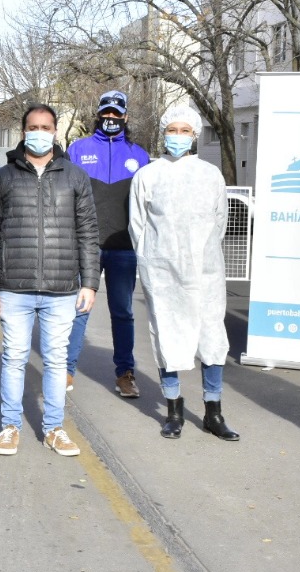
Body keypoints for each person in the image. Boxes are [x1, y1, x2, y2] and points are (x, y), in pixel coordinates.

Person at [0, 103, 99, 458]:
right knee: (14, 358)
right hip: (14, 288)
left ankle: (54, 429)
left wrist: (89, 283)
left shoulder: (75, 177)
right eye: (33, 127)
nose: (40, 132)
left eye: (46, 127)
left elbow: (89, 234)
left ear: (55, 131)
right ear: (23, 131)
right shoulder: (3, 178)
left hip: (62, 289)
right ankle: (10, 426)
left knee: (56, 361)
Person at [129, 105, 239, 441]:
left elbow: (218, 222)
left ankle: (213, 411)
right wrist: (152, 262)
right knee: (168, 338)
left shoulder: (210, 175)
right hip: (163, 274)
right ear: (164, 133)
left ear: (195, 134)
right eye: (172, 130)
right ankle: (173, 410)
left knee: (211, 340)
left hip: (205, 272)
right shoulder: (148, 176)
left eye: (185, 130)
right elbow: (139, 226)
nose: (178, 136)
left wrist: (200, 256)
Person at [65, 90, 150, 398]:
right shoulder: (78, 150)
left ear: (125, 117)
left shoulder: (140, 155)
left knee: (123, 312)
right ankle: (66, 369)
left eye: (117, 114)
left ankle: (125, 373)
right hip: (86, 245)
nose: (111, 119)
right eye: (106, 113)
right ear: (98, 115)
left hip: (124, 247)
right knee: (79, 309)